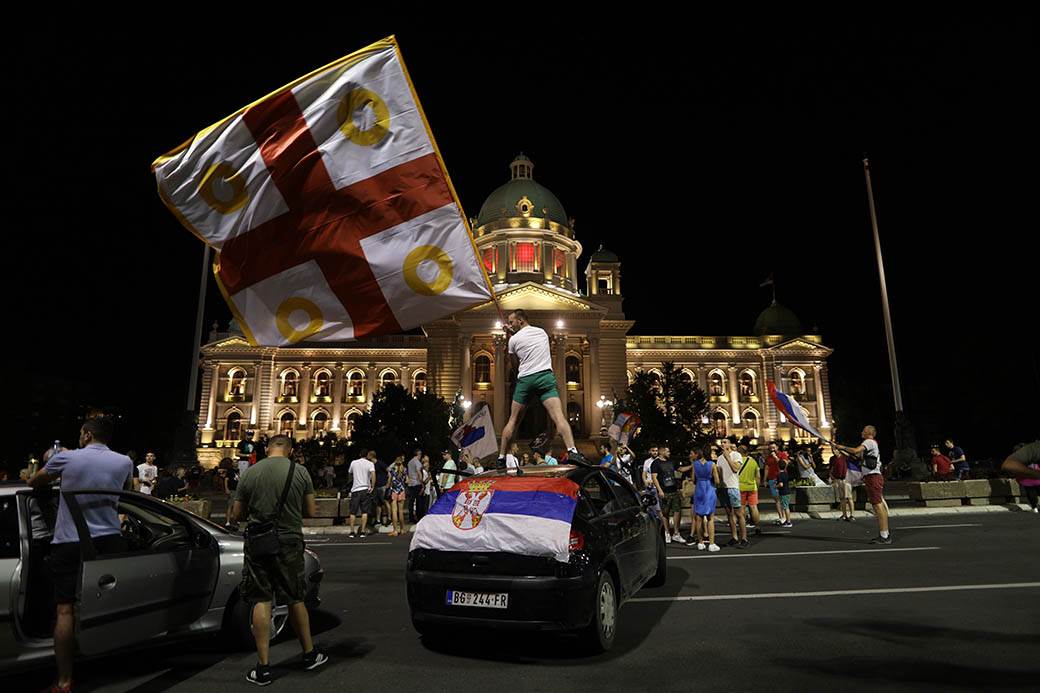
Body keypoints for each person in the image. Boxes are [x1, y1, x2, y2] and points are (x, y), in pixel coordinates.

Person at [28, 417, 133, 693]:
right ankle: (106, 665)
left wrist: (57, 462)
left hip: (70, 541)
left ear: (86, 434)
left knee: (65, 609)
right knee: (108, 606)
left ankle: (65, 680)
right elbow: (126, 495)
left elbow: (35, 482)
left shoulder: (67, 458)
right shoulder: (124, 462)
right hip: (109, 540)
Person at [229, 435, 328, 685]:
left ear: (266, 449)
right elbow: (311, 511)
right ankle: (309, 655)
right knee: (295, 598)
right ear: (290, 451)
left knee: (261, 599)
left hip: (258, 541)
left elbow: (237, 513)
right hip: (289, 541)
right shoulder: (300, 471)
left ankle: (263, 668)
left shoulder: (251, 473)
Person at [497, 309, 585, 465]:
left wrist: (511, 336)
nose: (510, 325)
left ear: (520, 320)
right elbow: (532, 342)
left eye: (511, 322)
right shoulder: (542, 332)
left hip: (526, 379)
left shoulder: (513, 340)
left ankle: (501, 457)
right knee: (558, 417)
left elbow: (514, 365)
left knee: (513, 421)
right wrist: (513, 332)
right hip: (545, 377)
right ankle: (573, 451)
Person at [834, 425, 891, 544]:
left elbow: (855, 451)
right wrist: (841, 449)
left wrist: (842, 446)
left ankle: (884, 535)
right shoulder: (871, 444)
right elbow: (856, 456)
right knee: (878, 504)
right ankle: (884, 534)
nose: (861, 432)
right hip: (872, 476)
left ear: (869, 432)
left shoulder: (868, 442)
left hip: (872, 476)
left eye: (863, 430)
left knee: (877, 505)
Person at [717, 439, 749, 548]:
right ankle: (734, 537)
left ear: (730, 444)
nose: (722, 444)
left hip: (733, 487)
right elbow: (719, 473)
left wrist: (728, 457)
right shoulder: (719, 458)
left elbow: (736, 469)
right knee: (729, 514)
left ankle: (744, 538)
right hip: (723, 488)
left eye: (725, 442)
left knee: (739, 514)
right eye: (722, 442)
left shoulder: (736, 455)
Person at [687, 448, 720, 552]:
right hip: (709, 489)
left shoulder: (695, 464)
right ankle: (711, 543)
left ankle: (700, 543)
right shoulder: (712, 465)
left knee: (699, 518)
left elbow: (693, 479)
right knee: (710, 518)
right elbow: (717, 481)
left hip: (699, 490)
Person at [651, 445, 682, 543]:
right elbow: (654, 477)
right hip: (664, 491)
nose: (669, 453)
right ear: (662, 452)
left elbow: (680, 469)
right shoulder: (656, 463)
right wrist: (660, 490)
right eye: (667, 451)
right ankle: (667, 533)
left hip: (674, 490)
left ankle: (676, 533)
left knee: (677, 511)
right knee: (665, 513)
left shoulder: (671, 461)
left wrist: (692, 465)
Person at [1001, 441, 1040, 512]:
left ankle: (1034, 507)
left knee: (1030, 493)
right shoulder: (1032, 455)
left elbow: (1014, 469)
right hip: (1036, 479)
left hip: (1026, 480)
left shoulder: (1019, 458)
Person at [347, 450, 376, 538]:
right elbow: (373, 475)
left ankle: (352, 531)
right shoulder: (370, 464)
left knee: (353, 512)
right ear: (367, 455)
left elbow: (350, 473)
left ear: (359, 454)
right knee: (364, 511)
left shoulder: (353, 463)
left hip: (355, 489)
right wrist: (372, 486)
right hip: (365, 489)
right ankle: (362, 531)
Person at [737, 445, 762, 534]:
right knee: (754, 507)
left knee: (742, 507)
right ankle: (757, 527)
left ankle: (743, 527)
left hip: (740, 487)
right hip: (752, 487)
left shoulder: (737, 462)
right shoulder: (753, 462)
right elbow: (758, 476)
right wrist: (757, 486)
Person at [763, 443, 787, 525]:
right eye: (770, 448)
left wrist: (775, 457)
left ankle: (786, 517)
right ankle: (781, 517)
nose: (772, 449)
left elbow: (784, 464)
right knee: (776, 499)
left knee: (783, 498)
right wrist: (765, 480)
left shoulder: (782, 455)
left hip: (781, 478)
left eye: (773, 447)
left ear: (777, 447)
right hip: (772, 479)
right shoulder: (768, 458)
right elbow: (766, 468)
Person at [829, 451, 855, 521]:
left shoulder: (845, 457)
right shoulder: (832, 458)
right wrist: (831, 475)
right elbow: (831, 468)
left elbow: (852, 457)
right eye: (832, 449)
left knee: (849, 497)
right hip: (838, 479)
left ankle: (852, 515)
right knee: (842, 498)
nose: (833, 451)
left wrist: (842, 449)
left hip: (846, 479)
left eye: (835, 449)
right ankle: (844, 514)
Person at [388, 454, 408, 537]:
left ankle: (395, 530)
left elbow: (389, 480)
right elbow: (407, 481)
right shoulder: (405, 469)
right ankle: (402, 529)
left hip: (394, 491)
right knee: (401, 511)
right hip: (402, 491)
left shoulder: (392, 470)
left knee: (394, 511)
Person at [406, 448, 423, 523]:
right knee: (419, 501)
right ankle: (418, 517)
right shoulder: (417, 462)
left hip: (410, 483)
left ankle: (411, 517)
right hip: (417, 483)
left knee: (411, 501)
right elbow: (419, 473)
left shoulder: (409, 462)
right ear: (418, 454)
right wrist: (422, 483)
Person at [373, 453, 391, 527]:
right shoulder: (372, 465)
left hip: (383, 485)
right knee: (378, 503)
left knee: (385, 501)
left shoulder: (380, 463)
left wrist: (388, 483)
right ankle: (378, 520)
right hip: (377, 486)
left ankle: (389, 518)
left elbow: (389, 472)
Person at [776, 457, 793, 528]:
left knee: (786, 507)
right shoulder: (786, 473)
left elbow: (781, 484)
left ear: (778, 466)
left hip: (783, 492)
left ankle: (789, 522)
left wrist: (776, 486)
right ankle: (787, 520)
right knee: (786, 506)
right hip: (787, 491)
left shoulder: (779, 475)